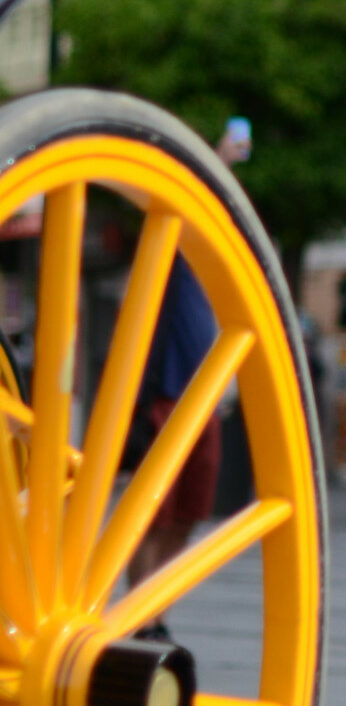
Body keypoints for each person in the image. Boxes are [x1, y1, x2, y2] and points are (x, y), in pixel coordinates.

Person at [125, 120, 249, 639]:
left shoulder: (218, 259)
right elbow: (186, 202)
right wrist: (219, 159)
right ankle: (139, 614)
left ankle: (157, 609)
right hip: (169, 392)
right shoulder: (173, 246)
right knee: (156, 513)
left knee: (190, 512)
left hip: (206, 397)